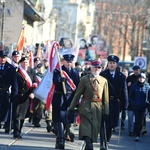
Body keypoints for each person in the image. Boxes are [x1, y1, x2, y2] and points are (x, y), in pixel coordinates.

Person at [68, 60, 109, 150]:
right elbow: (77, 94)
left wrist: (106, 112)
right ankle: (88, 142)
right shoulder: (85, 79)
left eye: (99, 67)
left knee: (94, 126)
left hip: (98, 107)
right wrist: (71, 108)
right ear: (91, 68)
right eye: (95, 67)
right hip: (86, 106)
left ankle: (89, 143)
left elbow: (106, 99)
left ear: (101, 68)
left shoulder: (104, 81)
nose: (96, 69)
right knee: (86, 125)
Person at [100, 55, 128, 150]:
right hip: (104, 102)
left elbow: (124, 91)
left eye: (113, 63)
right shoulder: (103, 74)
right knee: (103, 123)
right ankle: (102, 143)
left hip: (115, 103)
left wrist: (125, 105)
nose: (111, 65)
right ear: (107, 64)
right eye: (110, 63)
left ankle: (107, 141)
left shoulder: (121, 76)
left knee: (111, 125)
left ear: (116, 64)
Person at [52, 54, 80, 149]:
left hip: (69, 98)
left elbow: (77, 86)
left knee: (67, 119)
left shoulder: (75, 72)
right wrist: (60, 79)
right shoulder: (58, 71)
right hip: (59, 97)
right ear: (63, 61)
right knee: (59, 118)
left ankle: (66, 133)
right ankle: (60, 139)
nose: (69, 63)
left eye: (70, 62)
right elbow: (54, 80)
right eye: (67, 62)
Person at [12, 56, 37, 139]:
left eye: (26, 62)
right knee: (16, 115)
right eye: (23, 62)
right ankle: (16, 132)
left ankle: (19, 130)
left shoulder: (32, 71)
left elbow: (34, 83)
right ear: (20, 63)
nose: (25, 64)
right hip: (18, 95)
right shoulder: (17, 71)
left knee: (23, 115)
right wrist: (14, 96)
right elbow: (15, 84)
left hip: (27, 96)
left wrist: (32, 93)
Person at [0, 50, 18, 132]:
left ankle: (6, 124)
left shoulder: (11, 68)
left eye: (4, 58)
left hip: (5, 92)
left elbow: (14, 83)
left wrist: (14, 94)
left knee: (5, 110)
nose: (2, 59)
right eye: (1, 58)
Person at [129, 73, 150, 141]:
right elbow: (130, 96)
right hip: (136, 106)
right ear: (138, 78)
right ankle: (137, 135)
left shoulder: (148, 86)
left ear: (145, 79)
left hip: (144, 107)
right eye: (140, 78)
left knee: (141, 121)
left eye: (143, 78)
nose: (141, 79)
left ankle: (139, 131)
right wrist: (133, 103)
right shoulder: (134, 86)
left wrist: (147, 104)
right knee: (137, 120)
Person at [126, 65, 141, 136]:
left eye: (137, 69)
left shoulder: (142, 78)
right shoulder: (129, 78)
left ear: (139, 70)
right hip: (131, 99)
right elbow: (125, 88)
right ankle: (131, 130)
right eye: (134, 69)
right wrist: (127, 85)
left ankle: (137, 130)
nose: (135, 71)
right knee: (130, 116)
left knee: (138, 117)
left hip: (139, 100)